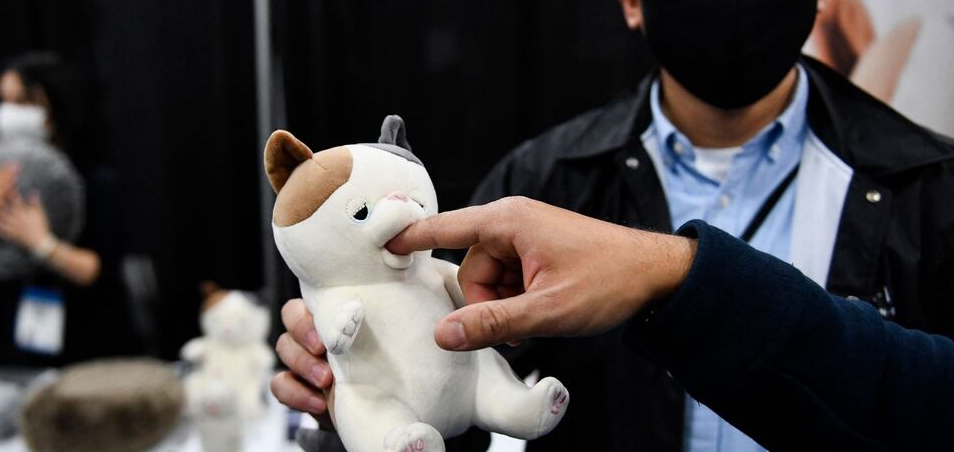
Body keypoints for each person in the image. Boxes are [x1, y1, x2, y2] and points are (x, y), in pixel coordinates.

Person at [273, 0, 954, 450]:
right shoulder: (541, 184)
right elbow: (460, 399)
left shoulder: (930, 187)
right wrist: (353, 399)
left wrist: (673, 279)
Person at [382, 197, 954, 451]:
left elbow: (919, 400)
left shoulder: (927, 182)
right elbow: (463, 386)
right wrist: (377, 370)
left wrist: (677, 276)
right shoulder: (546, 170)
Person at [0, 52, 139, 365]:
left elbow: (96, 269)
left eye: (22, 101)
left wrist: (41, 243)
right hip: (19, 342)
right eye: (4, 100)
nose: (9, 112)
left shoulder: (94, 179)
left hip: (91, 342)